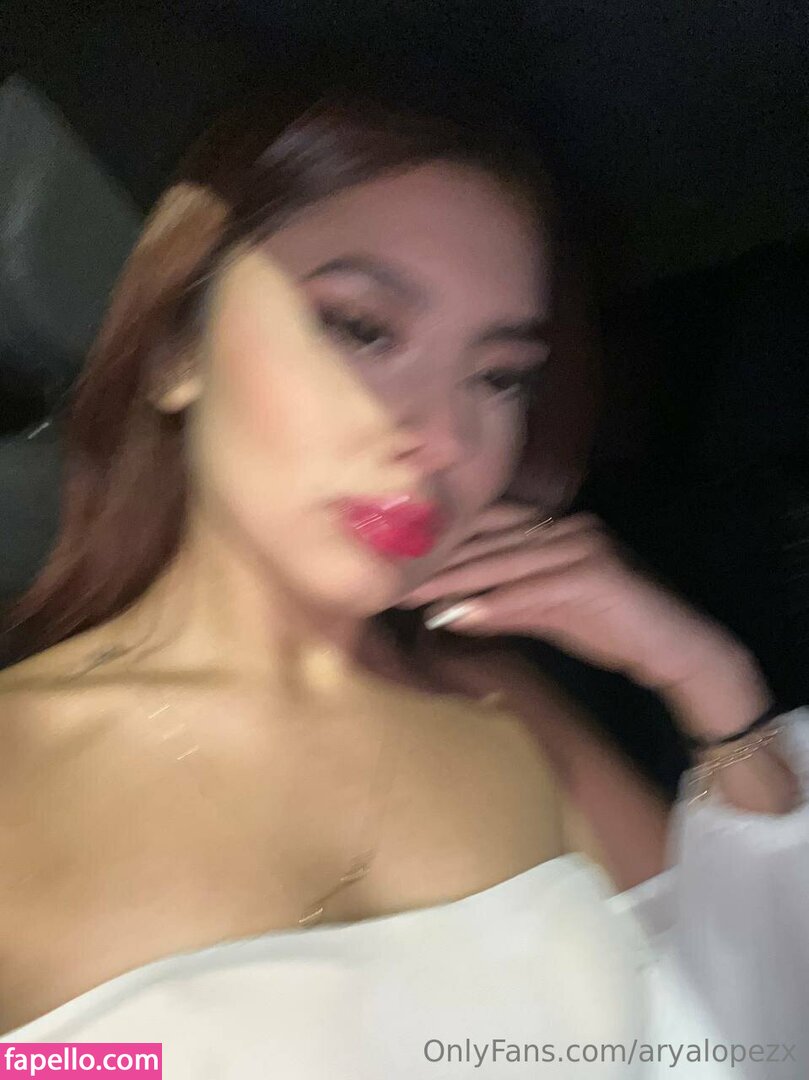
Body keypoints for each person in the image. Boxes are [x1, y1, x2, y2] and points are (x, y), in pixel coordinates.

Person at [0, 92, 806, 1078]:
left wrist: (707, 681)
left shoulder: (503, 711)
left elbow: (760, 1041)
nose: (444, 439)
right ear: (175, 348)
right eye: (362, 328)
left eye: (498, 377)